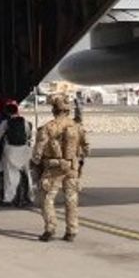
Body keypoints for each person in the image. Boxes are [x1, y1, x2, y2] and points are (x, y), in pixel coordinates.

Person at [31, 94, 89, 242]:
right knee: (71, 199)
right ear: (67, 110)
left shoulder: (48, 128)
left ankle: (50, 228)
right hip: (72, 168)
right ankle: (72, 231)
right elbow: (87, 149)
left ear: (54, 110)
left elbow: (38, 152)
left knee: (47, 199)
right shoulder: (76, 127)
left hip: (53, 168)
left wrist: (36, 164)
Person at [0, 101, 32, 207]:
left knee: (10, 176)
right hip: (24, 150)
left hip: (10, 150)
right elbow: (28, 134)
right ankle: (29, 196)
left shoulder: (5, 123)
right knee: (27, 174)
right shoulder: (25, 122)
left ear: (7, 112)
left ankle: (8, 198)